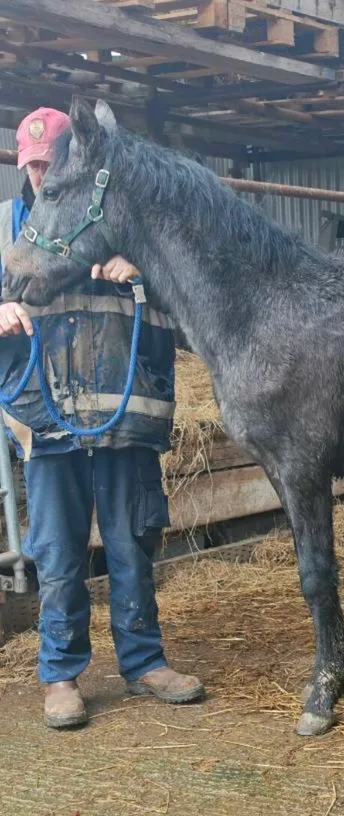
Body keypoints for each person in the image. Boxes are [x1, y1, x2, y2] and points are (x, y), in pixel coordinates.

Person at [0, 107, 204, 729]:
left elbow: (200, 312)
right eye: (30, 166)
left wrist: (146, 273)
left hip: (125, 416)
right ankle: (60, 675)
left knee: (131, 547)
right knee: (58, 555)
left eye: (49, 164)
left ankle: (143, 663)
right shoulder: (10, 231)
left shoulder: (128, 229)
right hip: (50, 414)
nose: (38, 176)